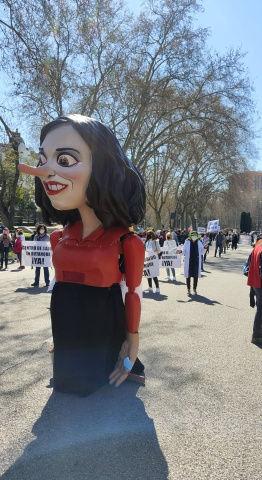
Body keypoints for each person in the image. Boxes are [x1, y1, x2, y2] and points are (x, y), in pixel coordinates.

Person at [18, 113, 146, 396]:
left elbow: (133, 292)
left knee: (92, 381)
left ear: (101, 168)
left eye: (64, 160)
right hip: (66, 318)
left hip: (104, 319)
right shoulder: (58, 237)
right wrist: (58, 336)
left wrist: (132, 341)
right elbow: (58, 286)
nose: (45, 172)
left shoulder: (127, 241)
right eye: (42, 160)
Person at [247, 226, 262, 345]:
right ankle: (256, 335)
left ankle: (259, 332)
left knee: (261, 309)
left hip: (256, 282)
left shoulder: (259, 245)